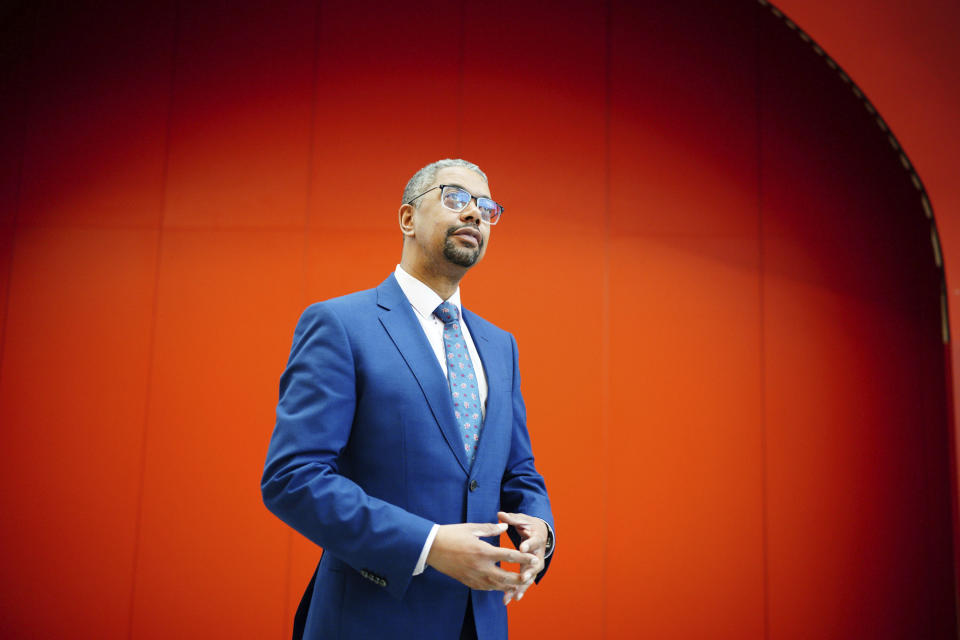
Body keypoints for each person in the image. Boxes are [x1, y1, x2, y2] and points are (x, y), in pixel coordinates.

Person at [261, 159, 555, 640]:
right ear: (407, 219)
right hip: (368, 620)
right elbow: (292, 478)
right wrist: (428, 544)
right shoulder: (340, 325)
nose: (474, 214)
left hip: (480, 623)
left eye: (486, 207)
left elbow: (518, 474)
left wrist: (541, 530)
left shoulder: (501, 345)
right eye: (455, 198)